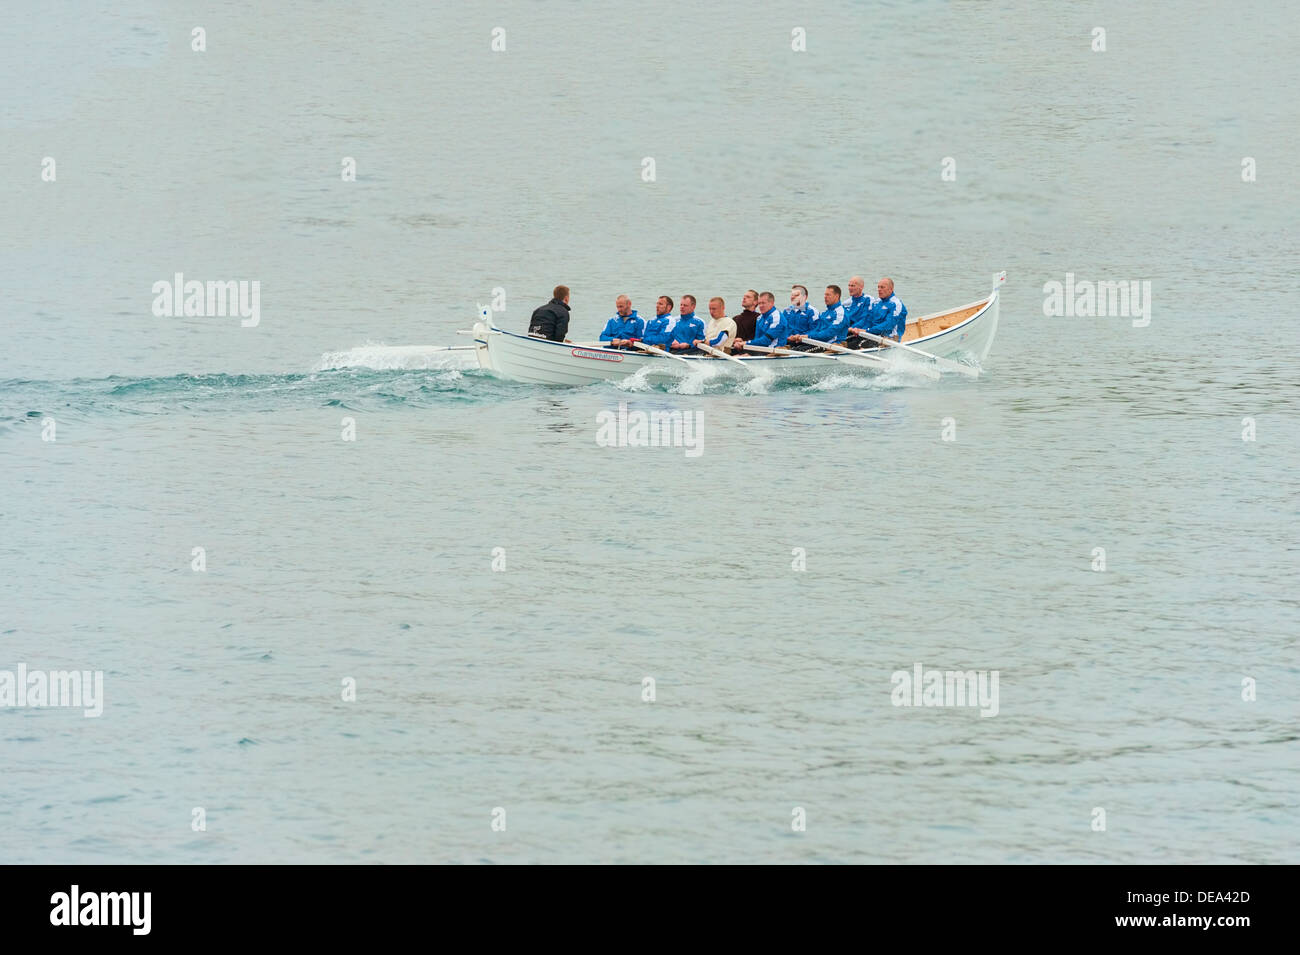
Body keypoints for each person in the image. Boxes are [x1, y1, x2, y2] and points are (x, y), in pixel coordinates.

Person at [849, 277, 908, 347]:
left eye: (882, 287)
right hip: (874, 334)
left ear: (891, 289)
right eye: (878, 287)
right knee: (849, 341)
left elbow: (888, 326)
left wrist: (867, 331)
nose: (879, 290)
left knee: (861, 345)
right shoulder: (876, 303)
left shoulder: (896, 304)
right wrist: (857, 329)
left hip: (890, 337)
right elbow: (868, 321)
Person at [786, 285, 849, 350]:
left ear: (836, 296)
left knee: (798, 349)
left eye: (828, 295)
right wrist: (802, 336)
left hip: (832, 344)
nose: (825, 297)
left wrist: (808, 336)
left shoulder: (840, 313)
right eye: (825, 295)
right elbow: (817, 329)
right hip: (819, 342)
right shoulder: (826, 312)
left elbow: (829, 333)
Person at [841, 276, 876, 349]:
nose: (850, 288)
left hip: (864, 331)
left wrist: (852, 328)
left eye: (853, 286)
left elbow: (865, 320)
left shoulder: (868, 299)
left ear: (861, 287)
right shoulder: (845, 303)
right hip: (851, 331)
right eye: (849, 285)